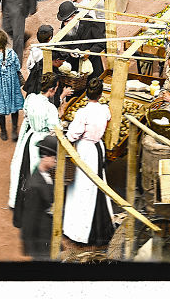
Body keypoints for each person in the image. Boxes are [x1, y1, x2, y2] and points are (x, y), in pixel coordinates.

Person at [62, 77, 115, 246]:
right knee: (97, 185)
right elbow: (106, 121)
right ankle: (99, 225)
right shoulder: (105, 110)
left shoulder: (82, 113)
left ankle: (79, 231)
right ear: (100, 95)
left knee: (82, 188)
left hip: (85, 150)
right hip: (98, 148)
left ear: (86, 94)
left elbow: (72, 135)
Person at [10, 71, 61, 225]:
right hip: (41, 142)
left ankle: (20, 203)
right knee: (38, 174)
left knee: (23, 170)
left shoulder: (31, 98)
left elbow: (26, 116)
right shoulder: (50, 108)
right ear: (51, 90)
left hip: (29, 138)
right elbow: (54, 130)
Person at [20, 132, 59, 261]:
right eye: (54, 158)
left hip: (48, 235)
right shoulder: (34, 186)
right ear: (45, 157)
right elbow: (29, 220)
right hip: (40, 242)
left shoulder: (46, 175)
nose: (55, 161)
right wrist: (31, 248)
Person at [0, 29, 25, 141]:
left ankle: (3, 132)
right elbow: (18, 67)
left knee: (0, 107)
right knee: (14, 106)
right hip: (12, 85)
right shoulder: (12, 54)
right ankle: (14, 130)